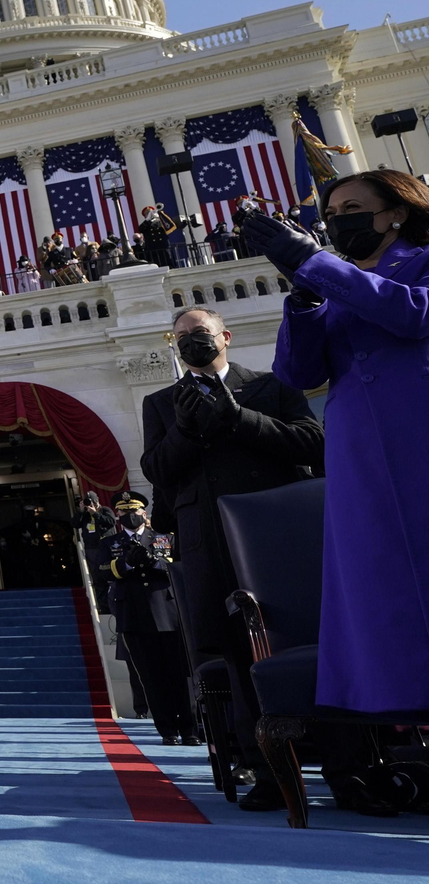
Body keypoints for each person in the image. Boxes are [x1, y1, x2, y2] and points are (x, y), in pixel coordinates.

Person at [245, 171, 429, 720]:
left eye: (353, 206)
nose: (338, 219)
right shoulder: (334, 280)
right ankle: (400, 710)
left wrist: (319, 266)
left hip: (416, 433)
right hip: (360, 455)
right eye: (331, 213)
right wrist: (303, 298)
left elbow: (413, 314)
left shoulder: (418, 262)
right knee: (381, 580)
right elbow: (297, 373)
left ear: (396, 212)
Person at [140, 305, 322, 809]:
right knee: (240, 653)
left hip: (278, 536)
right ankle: (265, 768)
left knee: (309, 637)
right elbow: (157, 469)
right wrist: (187, 428)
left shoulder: (270, 387)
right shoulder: (162, 402)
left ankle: (347, 764)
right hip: (211, 543)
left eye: (199, 334)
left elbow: (313, 442)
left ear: (225, 336)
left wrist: (239, 420)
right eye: (180, 338)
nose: (191, 343)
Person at [97, 494, 198, 744]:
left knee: (180, 674)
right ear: (118, 517)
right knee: (150, 677)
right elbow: (101, 571)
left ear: (144, 513)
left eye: (135, 511)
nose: (131, 516)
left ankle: (189, 728)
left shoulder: (163, 536)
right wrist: (126, 565)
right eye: (124, 512)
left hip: (167, 613)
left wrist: (156, 563)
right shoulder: (111, 542)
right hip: (133, 616)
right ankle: (168, 730)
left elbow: (180, 564)